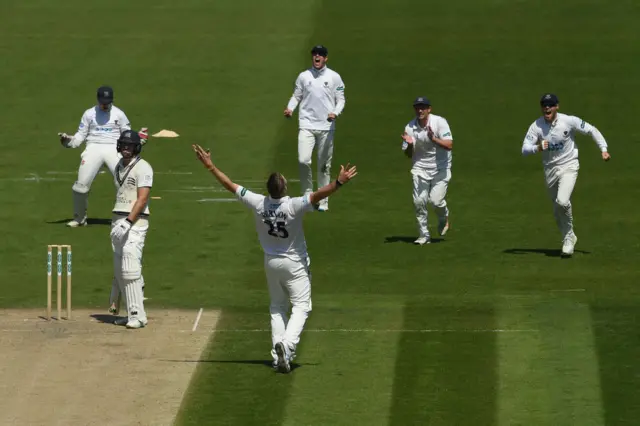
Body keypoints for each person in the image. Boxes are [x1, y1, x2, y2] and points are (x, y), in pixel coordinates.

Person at [192, 144, 357, 373]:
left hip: (271, 263)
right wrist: (339, 182)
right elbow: (319, 194)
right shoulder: (293, 205)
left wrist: (210, 166)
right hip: (295, 264)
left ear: (269, 189)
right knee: (302, 307)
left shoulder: (258, 202)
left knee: (277, 307)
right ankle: (287, 346)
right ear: (284, 188)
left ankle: (277, 355)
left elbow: (230, 185)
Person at [522, 93, 611, 256]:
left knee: (562, 201)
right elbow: (525, 148)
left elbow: (591, 130)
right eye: (544, 105)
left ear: (557, 106)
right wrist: (538, 147)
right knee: (557, 209)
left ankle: (569, 237)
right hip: (550, 169)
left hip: (569, 165)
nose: (546, 108)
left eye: (550, 105)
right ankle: (567, 236)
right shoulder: (537, 126)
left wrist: (603, 149)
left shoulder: (568, 121)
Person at [58, 86, 132, 227]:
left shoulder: (119, 114)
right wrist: (69, 141)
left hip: (114, 148)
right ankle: (79, 219)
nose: (105, 105)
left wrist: (133, 144)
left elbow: (127, 134)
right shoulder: (89, 114)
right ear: (98, 100)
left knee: (123, 183)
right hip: (93, 147)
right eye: (103, 102)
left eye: (108, 102)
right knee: (80, 186)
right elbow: (80, 135)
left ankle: (123, 218)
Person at [284, 45, 346, 211]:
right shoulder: (304, 76)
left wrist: (335, 113)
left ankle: (323, 200)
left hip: (326, 126)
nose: (317, 57)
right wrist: (290, 108)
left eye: (321, 55)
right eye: (314, 54)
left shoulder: (334, 77)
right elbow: (296, 96)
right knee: (303, 160)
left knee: (324, 165)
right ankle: (308, 197)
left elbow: (341, 100)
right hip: (306, 125)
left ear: (326, 58)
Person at [109, 130, 154, 329]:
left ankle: (137, 315)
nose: (126, 148)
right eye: (123, 145)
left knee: (129, 268)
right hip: (118, 220)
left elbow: (142, 198)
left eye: (130, 145)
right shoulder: (119, 165)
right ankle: (131, 314)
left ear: (137, 147)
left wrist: (128, 222)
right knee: (120, 270)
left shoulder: (143, 167)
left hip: (135, 223)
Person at [401, 96, 453, 245]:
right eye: (417, 107)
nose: (420, 110)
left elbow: (449, 145)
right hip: (420, 168)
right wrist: (410, 145)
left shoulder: (439, 122)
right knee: (419, 202)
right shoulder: (409, 128)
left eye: (423, 107)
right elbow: (407, 154)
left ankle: (444, 218)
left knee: (436, 201)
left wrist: (433, 139)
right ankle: (424, 235)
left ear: (429, 109)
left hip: (440, 168)